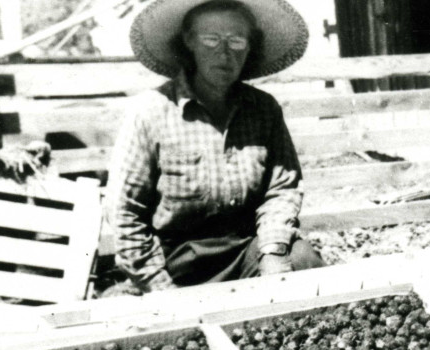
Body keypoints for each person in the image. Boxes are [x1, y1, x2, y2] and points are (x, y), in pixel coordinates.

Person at [106, 0, 323, 292]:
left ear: (249, 46)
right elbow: (125, 215)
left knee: (303, 260)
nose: (224, 53)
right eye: (211, 39)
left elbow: (282, 189)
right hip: (175, 262)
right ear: (189, 41)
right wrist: (162, 290)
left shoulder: (263, 109)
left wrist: (273, 252)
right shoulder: (151, 112)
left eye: (236, 40)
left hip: (245, 250)